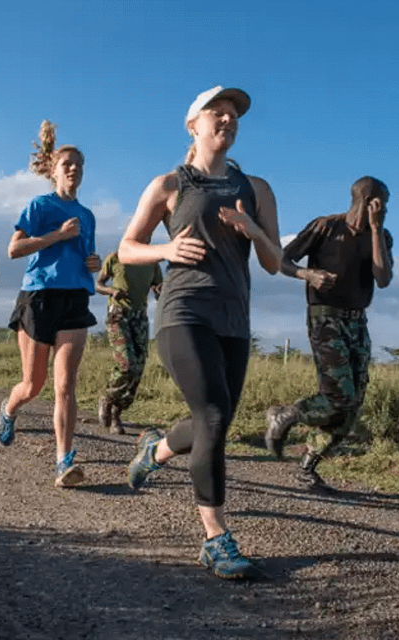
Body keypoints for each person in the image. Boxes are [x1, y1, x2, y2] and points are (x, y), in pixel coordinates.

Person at [120, 86, 282, 580]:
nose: (228, 119)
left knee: (216, 421)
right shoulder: (170, 185)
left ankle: (157, 449)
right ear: (194, 125)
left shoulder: (256, 188)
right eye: (218, 112)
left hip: (233, 318)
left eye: (234, 114)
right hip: (182, 312)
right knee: (211, 413)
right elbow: (128, 247)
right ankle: (215, 538)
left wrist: (252, 229)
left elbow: (276, 263)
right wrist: (165, 253)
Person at [264, 177, 393, 493]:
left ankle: (307, 467)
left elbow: (384, 278)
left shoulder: (381, 236)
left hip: (357, 322)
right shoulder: (325, 227)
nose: (386, 208)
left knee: (352, 406)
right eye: (382, 202)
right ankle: (288, 414)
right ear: (367, 200)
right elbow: (282, 259)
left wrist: (375, 230)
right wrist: (307, 274)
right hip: (325, 318)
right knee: (340, 394)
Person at [0, 120, 101, 488]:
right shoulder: (40, 205)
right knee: (33, 385)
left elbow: (86, 255)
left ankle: (64, 461)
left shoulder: (87, 216)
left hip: (74, 297)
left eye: (79, 164)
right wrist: (57, 235)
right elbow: (14, 249)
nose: (73, 168)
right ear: (53, 171)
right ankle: (9, 410)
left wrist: (95, 263)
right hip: (38, 295)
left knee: (65, 386)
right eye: (66, 163)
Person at [95, 251, 163, 434]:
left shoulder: (152, 261)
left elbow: (158, 288)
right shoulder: (116, 257)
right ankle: (108, 399)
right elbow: (98, 284)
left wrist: (160, 290)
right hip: (118, 315)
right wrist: (112, 291)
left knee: (138, 369)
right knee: (126, 363)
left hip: (140, 317)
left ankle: (117, 412)